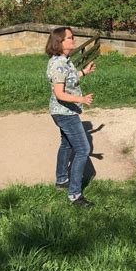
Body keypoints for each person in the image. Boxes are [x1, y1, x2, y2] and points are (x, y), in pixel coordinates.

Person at [46, 26, 96, 208]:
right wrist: (80, 99)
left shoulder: (65, 60)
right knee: (83, 149)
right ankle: (75, 195)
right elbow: (59, 93)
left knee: (67, 144)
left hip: (64, 111)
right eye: (70, 37)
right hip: (65, 112)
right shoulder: (59, 64)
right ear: (60, 42)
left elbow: (70, 79)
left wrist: (84, 72)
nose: (73, 40)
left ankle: (61, 180)